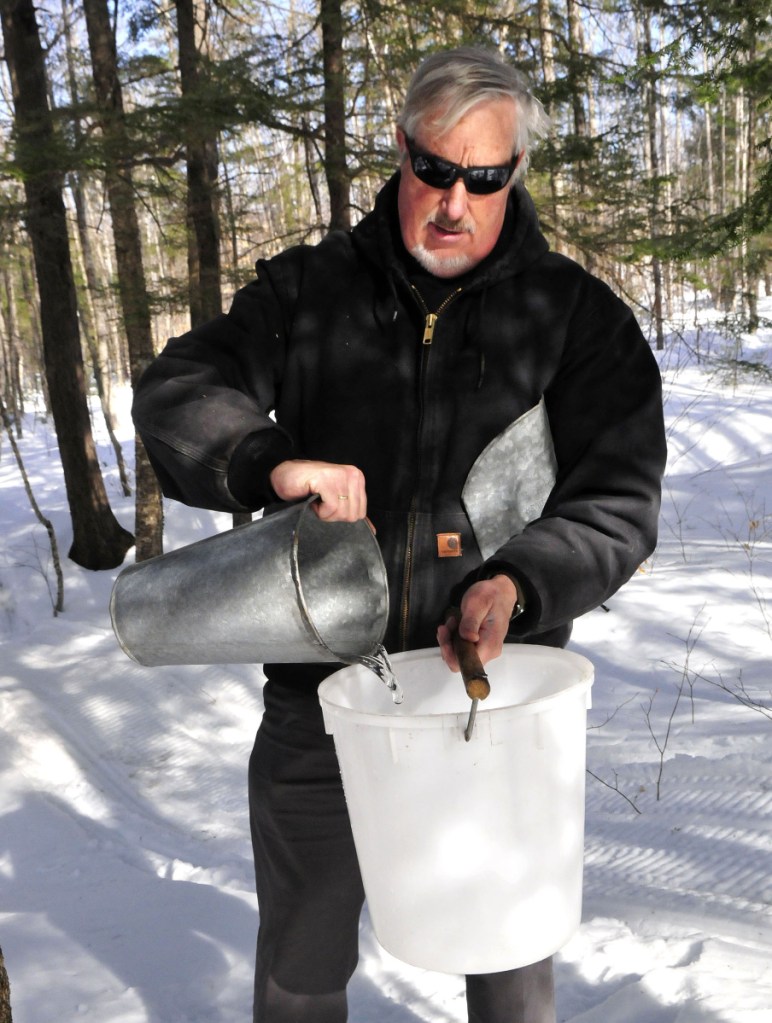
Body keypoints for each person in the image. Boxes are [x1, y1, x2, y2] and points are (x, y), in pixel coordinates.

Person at [132, 46, 666, 1023]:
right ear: (400, 151)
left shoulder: (574, 320)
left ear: (514, 177)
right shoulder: (306, 294)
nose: (453, 201)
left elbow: (618, 499)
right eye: (434, 169)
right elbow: (176, 396)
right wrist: (268, 460)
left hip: (494, 700)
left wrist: (521, 584)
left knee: (507, 960)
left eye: (484, 178)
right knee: (300, 968)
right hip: (325, 700)